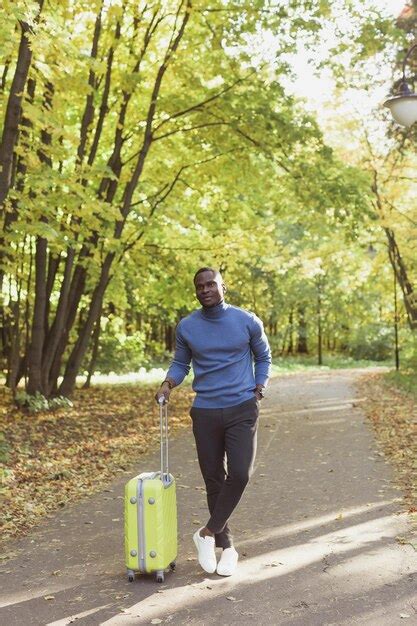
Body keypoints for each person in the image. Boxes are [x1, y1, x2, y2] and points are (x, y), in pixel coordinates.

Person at [155, 267, 271, 576]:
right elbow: (181, 362)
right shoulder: (187, 326)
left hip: (242, 408)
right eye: (200, 286)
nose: (205, 289)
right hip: (205, 411)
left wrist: (260, 387)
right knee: (214, 480)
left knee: (241, 474)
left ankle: (205, 533)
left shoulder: (247, 321)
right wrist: (168, 384)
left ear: (223, 286)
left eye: (211, 284)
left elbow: (264, 357)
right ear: (196, 291)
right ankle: (228, 547)